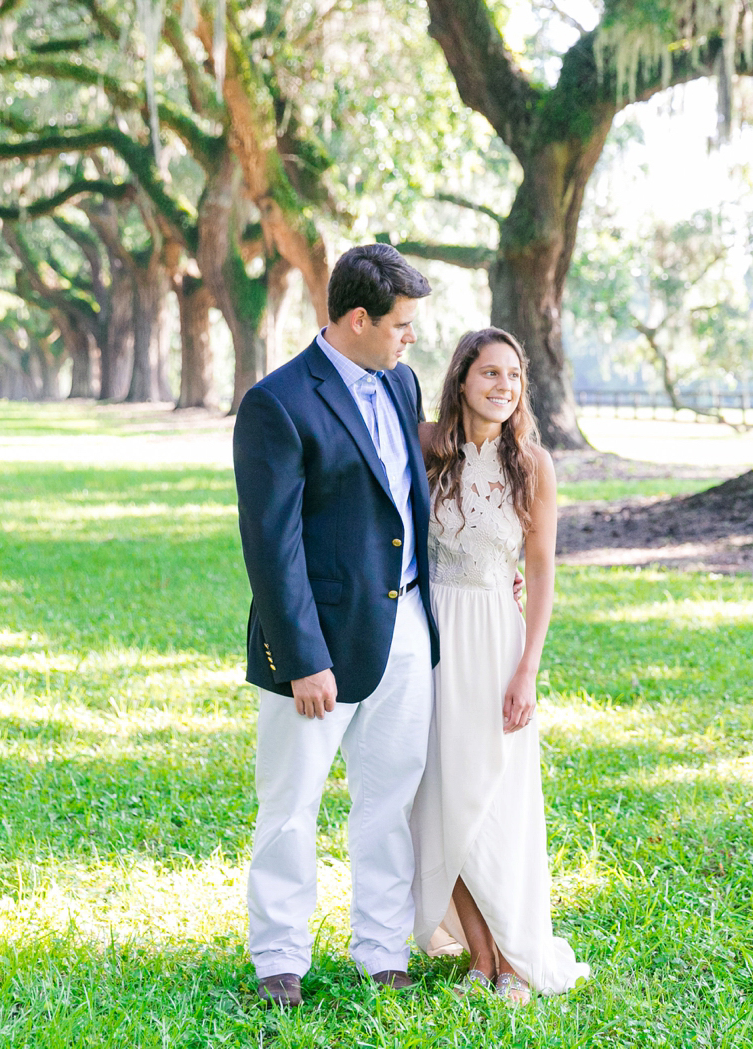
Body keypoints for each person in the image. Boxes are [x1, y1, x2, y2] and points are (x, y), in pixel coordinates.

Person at [233, 243, 439, 1007]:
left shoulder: (403, 382)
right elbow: (271, 543)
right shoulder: (277, 402)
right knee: (291, 804)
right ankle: (278, 958)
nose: (411, 337)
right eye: (402, 324)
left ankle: (383, 948)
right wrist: (301, 657)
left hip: (410, 623)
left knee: (391, 797)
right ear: (358, 318)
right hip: (317, 641)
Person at [410, 328, 590, 1005]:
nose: (502, 386)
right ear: (461, 379)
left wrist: (528, 669)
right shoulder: (428, 447)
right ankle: (480, 959)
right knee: (439, 797)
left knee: (497, 800)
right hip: (430, 639)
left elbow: (540, 571)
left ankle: (517, 957)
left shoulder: (534, 465)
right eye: (488, 373)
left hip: (495, 638)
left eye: (513, 375)